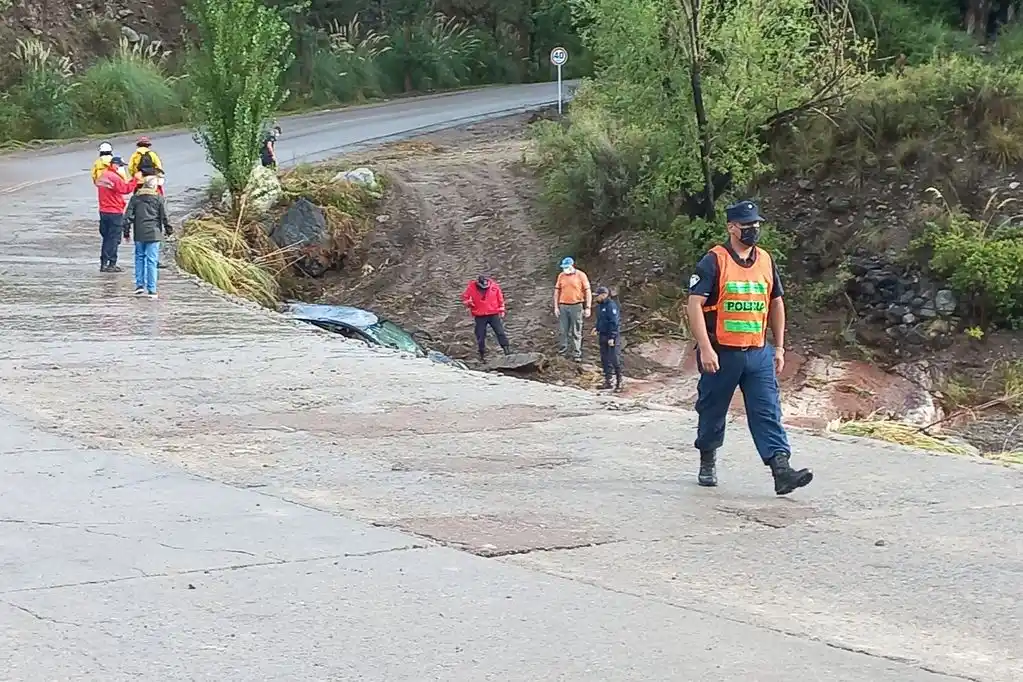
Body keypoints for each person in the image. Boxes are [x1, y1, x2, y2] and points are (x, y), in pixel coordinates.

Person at [685, 199, 813, 496]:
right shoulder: (713, 261)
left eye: (756, 224)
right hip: (722, 353)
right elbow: (694, 305)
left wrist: (779, 347)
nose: (753, 230)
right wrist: (705, 348)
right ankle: (707, 458)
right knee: (712, 411)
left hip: (758, 353)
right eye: (746, 226)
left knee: (767, 411)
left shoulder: (766, 260)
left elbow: (776, 302)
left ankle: (781, 471)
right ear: (731, 227)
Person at [124, 176, 173, 299]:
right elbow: (165, 217)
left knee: (139, 258)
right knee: (152, 260)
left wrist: (126, 232)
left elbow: (128, 217)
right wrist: (169, 230)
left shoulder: (135, 199)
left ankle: (139, 285)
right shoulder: (159, 199)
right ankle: (152, 289)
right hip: (154, 233)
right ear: (154, 186)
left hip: (139, 232)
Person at [95, 156, 140, 273]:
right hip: (115, 211)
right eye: (120, 166)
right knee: (114, 239)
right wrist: (135, 180)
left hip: (103, 211)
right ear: (115, 165)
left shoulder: (103, 176)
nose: (121, 169)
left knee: (106, 238)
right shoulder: (114, 177)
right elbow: (125, 189)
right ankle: (111, 264)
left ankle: (103, 263)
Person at [461, 275, 510, 362]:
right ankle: (482, 354)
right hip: (480, 315)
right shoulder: (471, 287)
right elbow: (465, 297)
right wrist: (469, 303)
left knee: (500, 332)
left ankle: (507, 350)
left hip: (493, 313)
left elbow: (500, 298)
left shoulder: (494, 287)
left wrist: (501, 309)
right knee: (480, 335)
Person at [553, 257, 591, 362]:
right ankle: (563, 351)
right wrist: (556, 307)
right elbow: (557, 292)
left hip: (576, 305)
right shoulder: (561, 276)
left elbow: (588, 291)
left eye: (567, 267)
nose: (565, 269)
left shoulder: (581, 275)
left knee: (576, 330)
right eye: (564, 267)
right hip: (563, 306)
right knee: (563, 330)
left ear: (572, 266)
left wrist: (588, 307)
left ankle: (576, 353)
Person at [593, 285, 623, 390]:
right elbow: (601, 319)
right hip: (602, 335)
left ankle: (619, 381)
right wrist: (597, 328)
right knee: (605, 359)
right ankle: (608, 381)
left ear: (604, 295)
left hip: (611, 336)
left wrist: (612, 337)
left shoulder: (611, 306)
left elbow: (614, 322)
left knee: (614, 358)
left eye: (598, 296)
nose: (596, 298)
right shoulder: (600, 306)